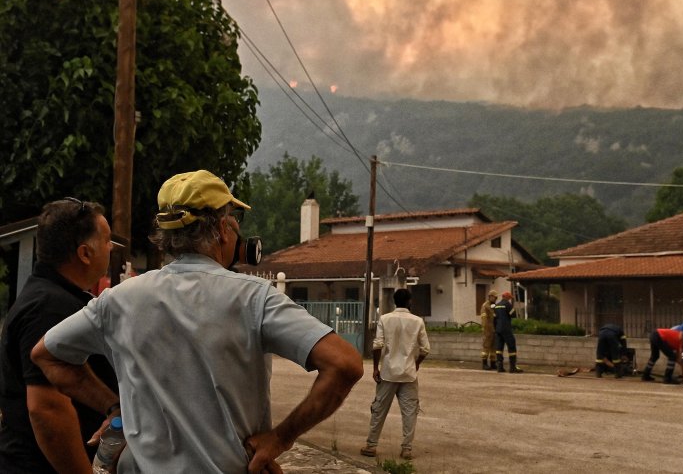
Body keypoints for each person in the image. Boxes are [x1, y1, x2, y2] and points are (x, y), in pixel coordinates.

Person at [30, 170, 364, 473]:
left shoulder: (118, 300)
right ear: (222, 229)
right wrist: (281, 438)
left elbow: (46, 353)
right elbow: (345, 364)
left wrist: (113, 407)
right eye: (234, 220)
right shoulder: (254, 297)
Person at [0, 198, 118, 473]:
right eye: (107, 240)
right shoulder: (49, 308)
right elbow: (46, 409)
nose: (111, 247)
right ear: (85, 253)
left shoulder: (53, 297)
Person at [361, 288, 430, 461]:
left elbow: (377, 345)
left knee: (379, 409)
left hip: (388, 372)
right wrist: (416, 364)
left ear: (394, 301)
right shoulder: (418, 321)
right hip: (408, 374)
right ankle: (406, 448)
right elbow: (425, 349)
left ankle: (371, 445)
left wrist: (376, 368)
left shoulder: (385, 319)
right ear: (409, 302)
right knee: (409, 411)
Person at [493, 291, 523, 373]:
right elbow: (513, 315)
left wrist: (496, 328)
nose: (510, 299)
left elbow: (494, 319)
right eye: (509, 298)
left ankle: (500, 367)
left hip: (498, 329)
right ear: (506, 297)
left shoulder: (497, 305)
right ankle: (513, 367)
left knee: (499, 348)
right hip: (506, 328)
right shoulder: (508, 304)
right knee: (511, 346)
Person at [479, 290, 498, 370]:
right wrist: (485, 328)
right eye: (494, 297)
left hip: (494, 329)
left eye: (496, 298)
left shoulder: (493, 305)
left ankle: (493, 363)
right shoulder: (485, 306)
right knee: (486, 346)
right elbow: (484, 318)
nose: (495, 299)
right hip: (488, 329)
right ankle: (484, 363)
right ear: (490, 296)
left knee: (494, 347)